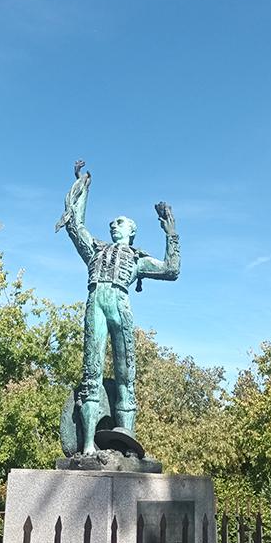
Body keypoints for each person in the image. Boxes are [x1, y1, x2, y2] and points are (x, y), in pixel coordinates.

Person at [57, 161, 180, 454]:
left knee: (126, 375)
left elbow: (171, 269)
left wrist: (170, 232)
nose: (114, 224)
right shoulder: (95, 251)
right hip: (96, 302)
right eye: (112, 222)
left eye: (121, 222)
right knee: (91, 374)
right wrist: (82, 187)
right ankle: (87, 446)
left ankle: (127, 445)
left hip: (120, 304)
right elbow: (75, 225)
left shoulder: (137, 259)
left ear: (132, 231)